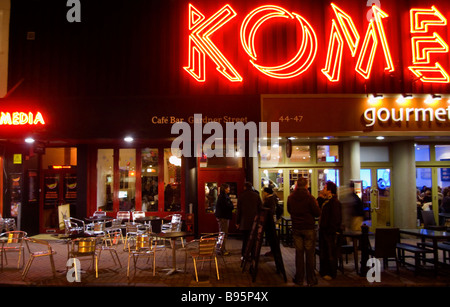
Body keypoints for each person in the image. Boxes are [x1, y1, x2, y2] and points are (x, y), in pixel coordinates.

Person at [287, 178, 321, 286]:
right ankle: (311, 279)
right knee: (310, 254)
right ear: (306, 185)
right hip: (308, 227)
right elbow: (317, 213)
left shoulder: (290, 197)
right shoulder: (310, 198)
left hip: (297, 227)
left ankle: (299, 278)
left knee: (299, 253)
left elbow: (289, 210)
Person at [317, 181, 342, 281]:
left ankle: (331, 273)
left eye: (325, 188)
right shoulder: (327, 201)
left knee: (330, 252)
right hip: (325, 230)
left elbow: (335, 218)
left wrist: (331, 230)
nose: (323, 189)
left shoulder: (334, 202)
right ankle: (324, 271)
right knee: (325, 252)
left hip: (329, 232)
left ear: (329, 190)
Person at [236, 182, 262, 257]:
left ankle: (244, 254)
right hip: (254, 221)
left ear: (245, 187)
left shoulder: (241, 196)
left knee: (245, 239)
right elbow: (260, 208)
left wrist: (237, 222)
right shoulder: (256, 196)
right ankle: (253, 254)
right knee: (253, 240)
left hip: (244, 222)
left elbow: (239, 210)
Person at [214, 183, 234, 255]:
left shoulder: (222, 196)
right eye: (228, 188)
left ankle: (220, 248)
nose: (229, 189)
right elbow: (228, 206)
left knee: (222, 233)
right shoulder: (224, 197)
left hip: (222, 216)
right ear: (225, 189)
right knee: (223, 234)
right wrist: (231, 205)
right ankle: (221, 250)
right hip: (223, 217)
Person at [262, 187, 278, 257]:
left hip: (269, 219)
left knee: (271, 235)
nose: (263, 193)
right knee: (271, 235)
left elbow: (269, 210)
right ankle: (273, 250)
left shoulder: (269, 199)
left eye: (264, 192)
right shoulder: (272, 198)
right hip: (271, 218)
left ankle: (273, 251)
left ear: (267, 192)